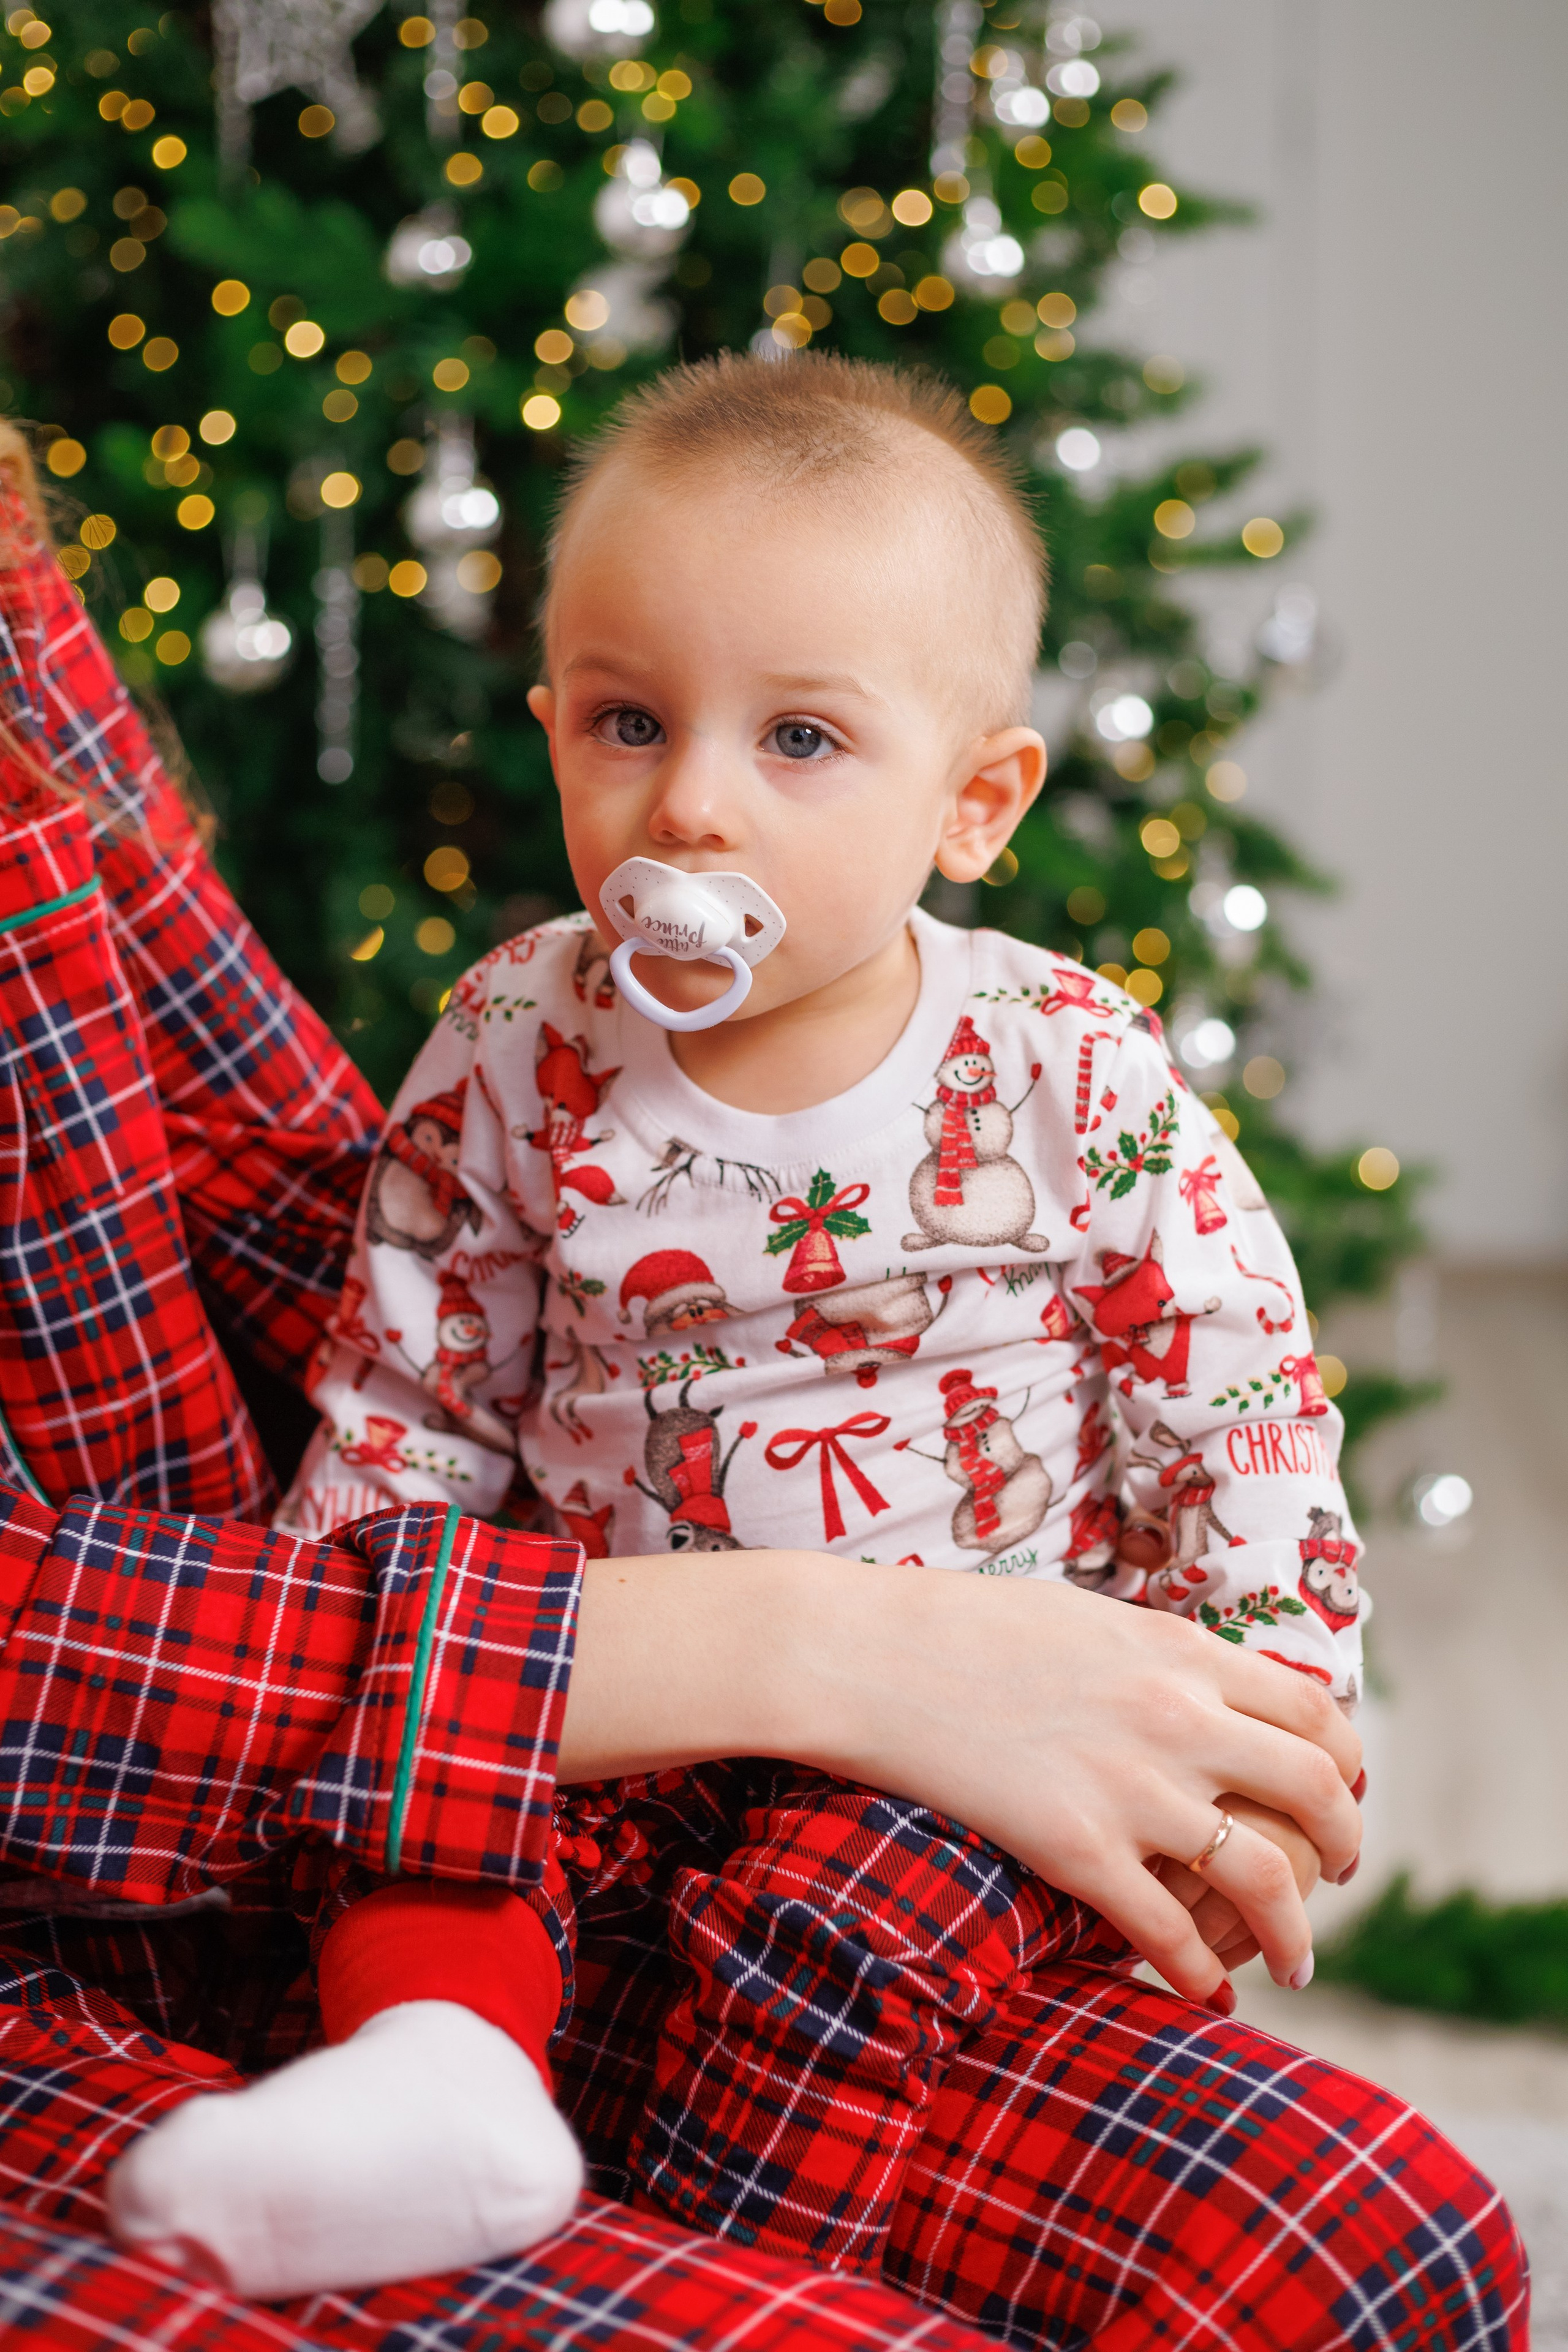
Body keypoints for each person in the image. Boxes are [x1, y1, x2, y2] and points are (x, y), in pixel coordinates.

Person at [105, 361, 1526, 2343]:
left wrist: (1266, 1712)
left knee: (823, 1937)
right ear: (553, 734)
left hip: (972, 1733)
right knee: (417, 1837)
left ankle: (707, 2263)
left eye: (797, 738)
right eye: (629, 721)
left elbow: (1232, 1393)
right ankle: (432, 2092)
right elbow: (421, 1377)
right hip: (615, 1680)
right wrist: (394, 1632)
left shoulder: (1064, 1074)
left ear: (973, 802)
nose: (689, 801)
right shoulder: (525, 1035)